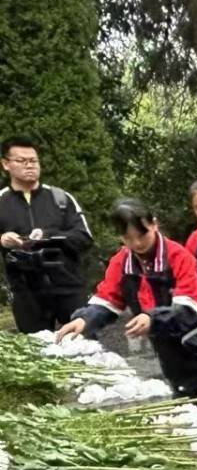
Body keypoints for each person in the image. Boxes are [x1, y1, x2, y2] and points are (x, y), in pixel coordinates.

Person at [56, 198, 197, 421]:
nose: (137, 243)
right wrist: (85, 320)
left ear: (154, 224)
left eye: (142, 235)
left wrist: (152, 318)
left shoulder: (178, 255)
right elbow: (107, 299)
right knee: (185, 412)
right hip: (170, 347)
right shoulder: (121, 262)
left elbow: (187, 305)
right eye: (128, 238)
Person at [0, 137, 94, 333]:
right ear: (5, 164)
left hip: (70, 289)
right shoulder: (2, 201)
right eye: (21, 161)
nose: (30, 166)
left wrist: (49, 236)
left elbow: (84, 238)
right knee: (38, 356)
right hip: (27, 293)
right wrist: (2, 240)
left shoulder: (60, 198)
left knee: (85, 349)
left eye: (33, 161)